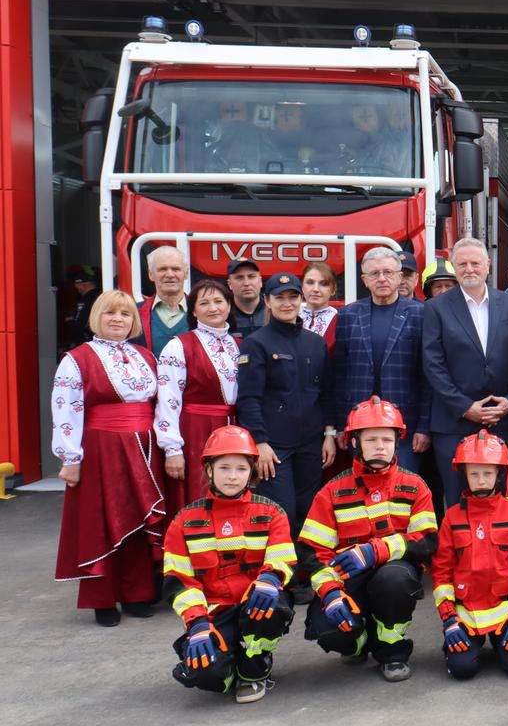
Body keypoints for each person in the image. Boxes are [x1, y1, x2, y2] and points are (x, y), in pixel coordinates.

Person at [300, 397, 438, 682]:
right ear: (354, 442)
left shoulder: (414, 486)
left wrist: (376, 550)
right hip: (348, 578)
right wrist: (330, 593)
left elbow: (427, 543)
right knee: (326, 628)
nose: (380, 446)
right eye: (371, 439)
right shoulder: (332, 491)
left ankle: (392, 649)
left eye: (387, 439)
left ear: (397, 441)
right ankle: (360, 642)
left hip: (393, 575)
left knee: (394, 580)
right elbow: (312, 555)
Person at [51, 289, 165, 626]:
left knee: (139, 519)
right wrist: (70, 458)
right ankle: (102, 599)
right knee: (103, 519)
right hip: (102, 449)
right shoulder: (77, 359)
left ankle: (137, 593)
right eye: (110, 313)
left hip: (146, 448)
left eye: (125, 314)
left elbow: (159, 405)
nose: (118, 319)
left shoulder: (146, 356)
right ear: (96, 317)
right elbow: (67, 408)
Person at [161, 425, 296, 703]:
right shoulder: (184, 521)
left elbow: (282, 558)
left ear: (252, 472)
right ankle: (228, 665)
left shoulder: (271, 513)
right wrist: (197, 622)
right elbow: (179, 581)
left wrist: (270, 579)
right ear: (209, 470)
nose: (232, 477)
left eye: (241, 469)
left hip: (257, 603)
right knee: (206, 674)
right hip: (213, 611)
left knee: (273, 607)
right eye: (224, 468)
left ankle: (254, 669)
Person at [422, 237, 508, 505]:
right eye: (463, 264)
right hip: (454, 423)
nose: (469, 269)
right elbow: (433, 364)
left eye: (475, 263)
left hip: (502, 421)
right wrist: (465, 406)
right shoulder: (436, 308)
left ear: (488, 265)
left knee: (503, 501)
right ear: (454, 267)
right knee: (459, 501)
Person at [235, 273, 335, 550]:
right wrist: (260, 443)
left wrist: (329, 433)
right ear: (267, 301)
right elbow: (248, 399)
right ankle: (281, 579)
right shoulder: (256, 343)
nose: (287, 303)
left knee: (309, 513)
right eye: (279, 297)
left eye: (293, 297)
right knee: (282, 513)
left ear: (301, 300)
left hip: (311, 443)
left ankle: (307, 579)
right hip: (274, 447)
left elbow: (325, 393)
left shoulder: (315, 343)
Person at [431, 429, 508, 680]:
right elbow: (441, 572)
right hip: (465, 614)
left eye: (488, 473)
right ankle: (465, 647)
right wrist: (449, 620)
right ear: (464, 475)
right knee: (462, 669)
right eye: (474, 474)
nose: (481, 480)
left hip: (506, 612)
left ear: (499, 475)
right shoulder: (452, 517)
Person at [328, 247, 431, 473]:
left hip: (406, 425)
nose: (382, 278)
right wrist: (339, 425)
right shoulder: (347, 315)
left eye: (388, 272)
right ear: (364, 280)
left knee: (403, 489)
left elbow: (427, 377)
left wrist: (424, 427)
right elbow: (340, 375)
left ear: (399, 276)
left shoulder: (421, 314)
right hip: (359, 423)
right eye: (374, 274)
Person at [155, 279, 239, 518]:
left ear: (229, 306)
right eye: (204, 303)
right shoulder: (179, 346)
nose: (213, 308)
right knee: (200, 494)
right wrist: (172, 449)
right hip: (196, 431)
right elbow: (168, 399)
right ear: (193, 310)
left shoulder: (240, 345)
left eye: (218, 301)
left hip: (235, 428)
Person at [134, 245, 190, 359]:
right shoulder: (134, 313)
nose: (169, 274)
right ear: (150, 274)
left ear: (186, 274)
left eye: (176, 269)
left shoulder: (202, 312)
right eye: (162, 269)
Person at [299, 261, 339, 353]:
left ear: (333, 290)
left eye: (323, 284)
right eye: (310, 282)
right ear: (302, 286)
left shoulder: (341, 320)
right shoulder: (289, 315)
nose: (315, 289)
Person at [225, 258, 268, 343]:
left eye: (251, 277)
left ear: (260, 281)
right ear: (229, 284)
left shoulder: (274, 312)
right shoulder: (223, 315)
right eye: (239, 278)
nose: (246, 283)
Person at [63, 266, 101, 347]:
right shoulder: (101, 296)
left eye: (77, 285)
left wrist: (69, 321)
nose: (76, 287)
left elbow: (79, 326)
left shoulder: (87, 300)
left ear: (83, 285)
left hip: (87, 342)